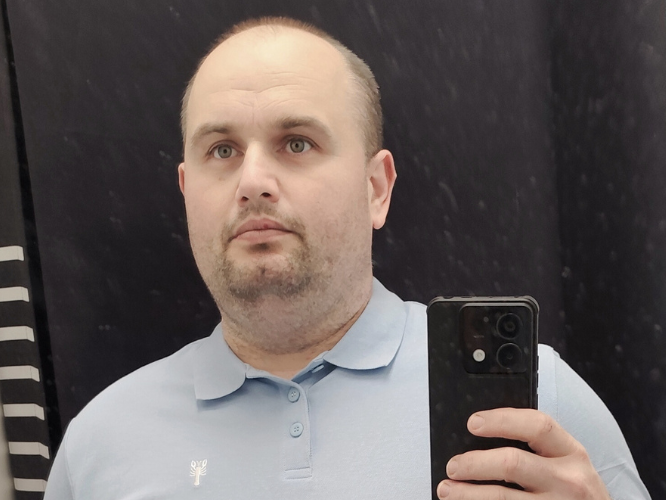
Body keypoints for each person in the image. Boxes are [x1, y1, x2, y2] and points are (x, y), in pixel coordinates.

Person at [43, 16, 651, 500]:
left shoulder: (540, 405)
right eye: (222, 150)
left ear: (376, 188)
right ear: (186, 191)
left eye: (297, 142)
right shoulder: (100, 444)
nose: (252, 181)